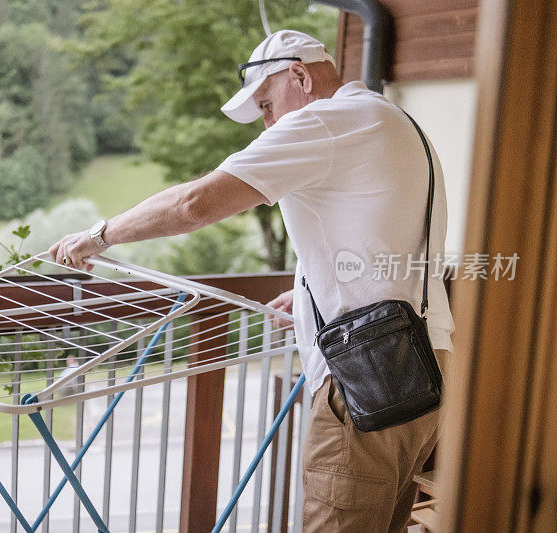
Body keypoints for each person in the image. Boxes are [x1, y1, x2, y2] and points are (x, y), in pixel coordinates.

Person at [49, 29, 454, 531]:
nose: (265, 124)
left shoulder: (324, 122)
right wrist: (307, 294)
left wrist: (100, 234)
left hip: (366, 377)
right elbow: (382, 240)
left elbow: (192, 204)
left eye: (266, 103)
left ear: (300, 76)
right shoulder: (395, 122)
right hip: (425, 362)